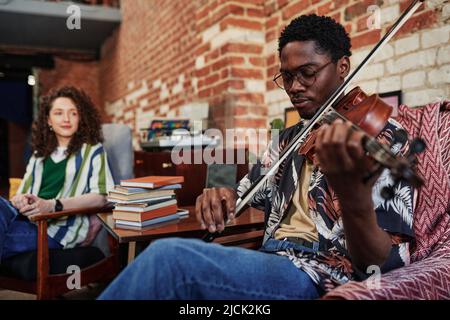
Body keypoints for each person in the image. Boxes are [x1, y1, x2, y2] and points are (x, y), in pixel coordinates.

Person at [98, 14, 415, 300]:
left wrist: (352, 196)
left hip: (318, 274)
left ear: (342, 67)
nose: (295, 87)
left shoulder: (382, 135)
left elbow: (384, 263)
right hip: (271, 258)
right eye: (287, 77)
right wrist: (222, 194)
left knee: (169, 261)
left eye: (307, 73)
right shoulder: (289, 139)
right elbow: (247, 191)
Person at [0, 86, 114, 262]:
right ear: (49, 120)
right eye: (59, 113)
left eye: (73, 113)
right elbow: (19, 195)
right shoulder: (39, 156)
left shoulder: (92, 151)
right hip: (23, 219)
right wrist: (20, 200)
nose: (66, 119)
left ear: (81, 118)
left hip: (56, 229)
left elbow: (102, 198)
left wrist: (53, 205)